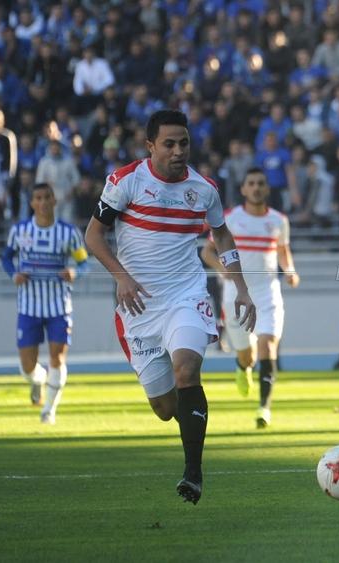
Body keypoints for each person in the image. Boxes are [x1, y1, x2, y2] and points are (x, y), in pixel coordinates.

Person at [85, 110, 256, 505]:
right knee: (164, 408)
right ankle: (190, 422)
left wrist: (241, 287)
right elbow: (93, 235)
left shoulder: (204, 189)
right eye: (169, 144)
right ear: (150, 146)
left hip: (186, 295)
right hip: (139, 305)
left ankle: (193, 473)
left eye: (184, 143)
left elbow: (223, 235)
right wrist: (121, 276)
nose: (178, 151)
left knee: (186, 368)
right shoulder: (125, 181)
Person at [201, 167, 298, 429]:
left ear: (267, 189)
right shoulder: (231, 219)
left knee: (269, 346)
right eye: (251, 183)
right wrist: (224, 271)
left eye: (261, 183)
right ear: (243, 189)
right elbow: (208, 252)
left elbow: (283, 252)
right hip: (237, 294)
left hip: (268, 292)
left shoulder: (279, 221)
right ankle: (241, 365)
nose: (256, 188)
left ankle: (264, 408)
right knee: (249, 356)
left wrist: (289, 272)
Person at [1, 183, 88, 423]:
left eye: (47, 197)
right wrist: (13, 275)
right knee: (27, 366)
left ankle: (49, 410)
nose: (43, 202)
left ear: (54, 200)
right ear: (32, 203)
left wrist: (74, 272)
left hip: (59, 305)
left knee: (57, 358)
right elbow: (6, 258)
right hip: (28, 305)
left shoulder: (68, 233)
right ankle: (37, 382)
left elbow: (83, 262)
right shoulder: (20, 231)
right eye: (38, 198)